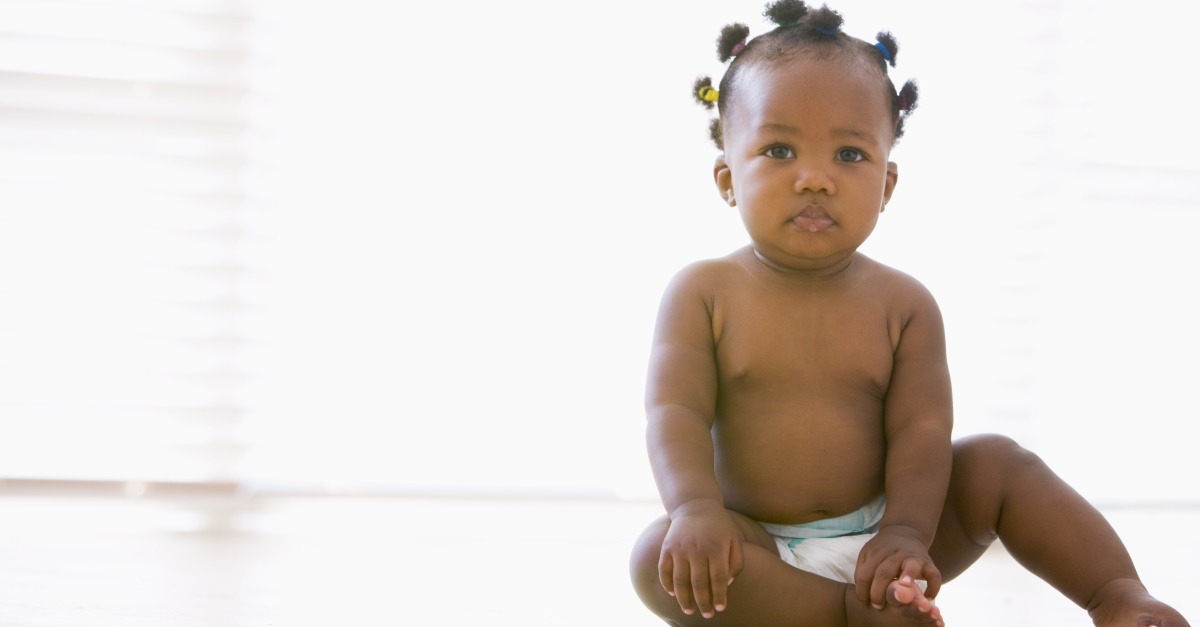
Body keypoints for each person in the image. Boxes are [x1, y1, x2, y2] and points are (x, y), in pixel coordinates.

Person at [627, 2, 1192, 626]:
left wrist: (904, 533)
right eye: (779, 149)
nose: (814, 178)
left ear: (887, 185)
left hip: (890, 539)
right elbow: (674, 411)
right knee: (657, 554)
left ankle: (1117, 595)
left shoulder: (904, 305)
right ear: (727, 177)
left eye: (848, 156)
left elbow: (921, 431)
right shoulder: (703, 293)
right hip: (757, 544)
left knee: (997, 462)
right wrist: (694, 509)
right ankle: (846, 614)